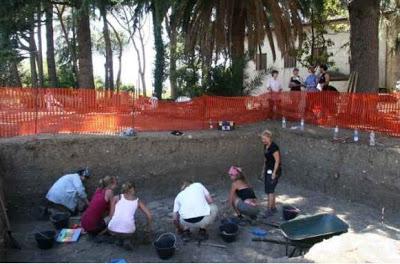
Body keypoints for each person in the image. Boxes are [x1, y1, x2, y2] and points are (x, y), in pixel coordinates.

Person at [107, 181, 152, 250]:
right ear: (133, 189)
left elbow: (111, 215)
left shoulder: (116, 197)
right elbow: (149, 215)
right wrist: (148, 228)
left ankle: (119, 239)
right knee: (134, 224)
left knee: (117, 226)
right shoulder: (137, 201)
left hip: (112, 229)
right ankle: (127, 240)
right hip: (129, 231)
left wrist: (111, 224)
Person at [261, 130, 281, 217]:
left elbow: (277, 161)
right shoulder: (266, 146)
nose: (263, 141)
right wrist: (263, 170)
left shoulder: (274, 147)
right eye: (262, 139)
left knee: (270, 190)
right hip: (268, 170)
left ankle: (269, 210)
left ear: (269, 138)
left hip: (274, 171)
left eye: (264, 139)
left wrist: (274, 173)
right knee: (270, 190)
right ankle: (273, 208)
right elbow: (266, 159)